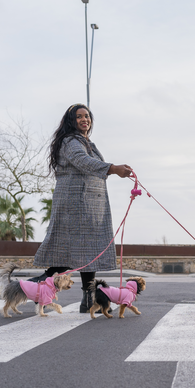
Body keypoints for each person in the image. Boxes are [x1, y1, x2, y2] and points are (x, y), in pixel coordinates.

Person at [30, 103, 133, 313]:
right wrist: (113, 169)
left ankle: (89, 301)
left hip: (89, 207)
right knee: (71, 254)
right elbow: (82, 161)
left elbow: (89, 162)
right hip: (75, 206)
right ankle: (32, 287)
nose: (84, 119)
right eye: (79, 116)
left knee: (87, 254)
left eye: (87, 116)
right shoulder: (70, 142)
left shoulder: (87, 142)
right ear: (71, 121)